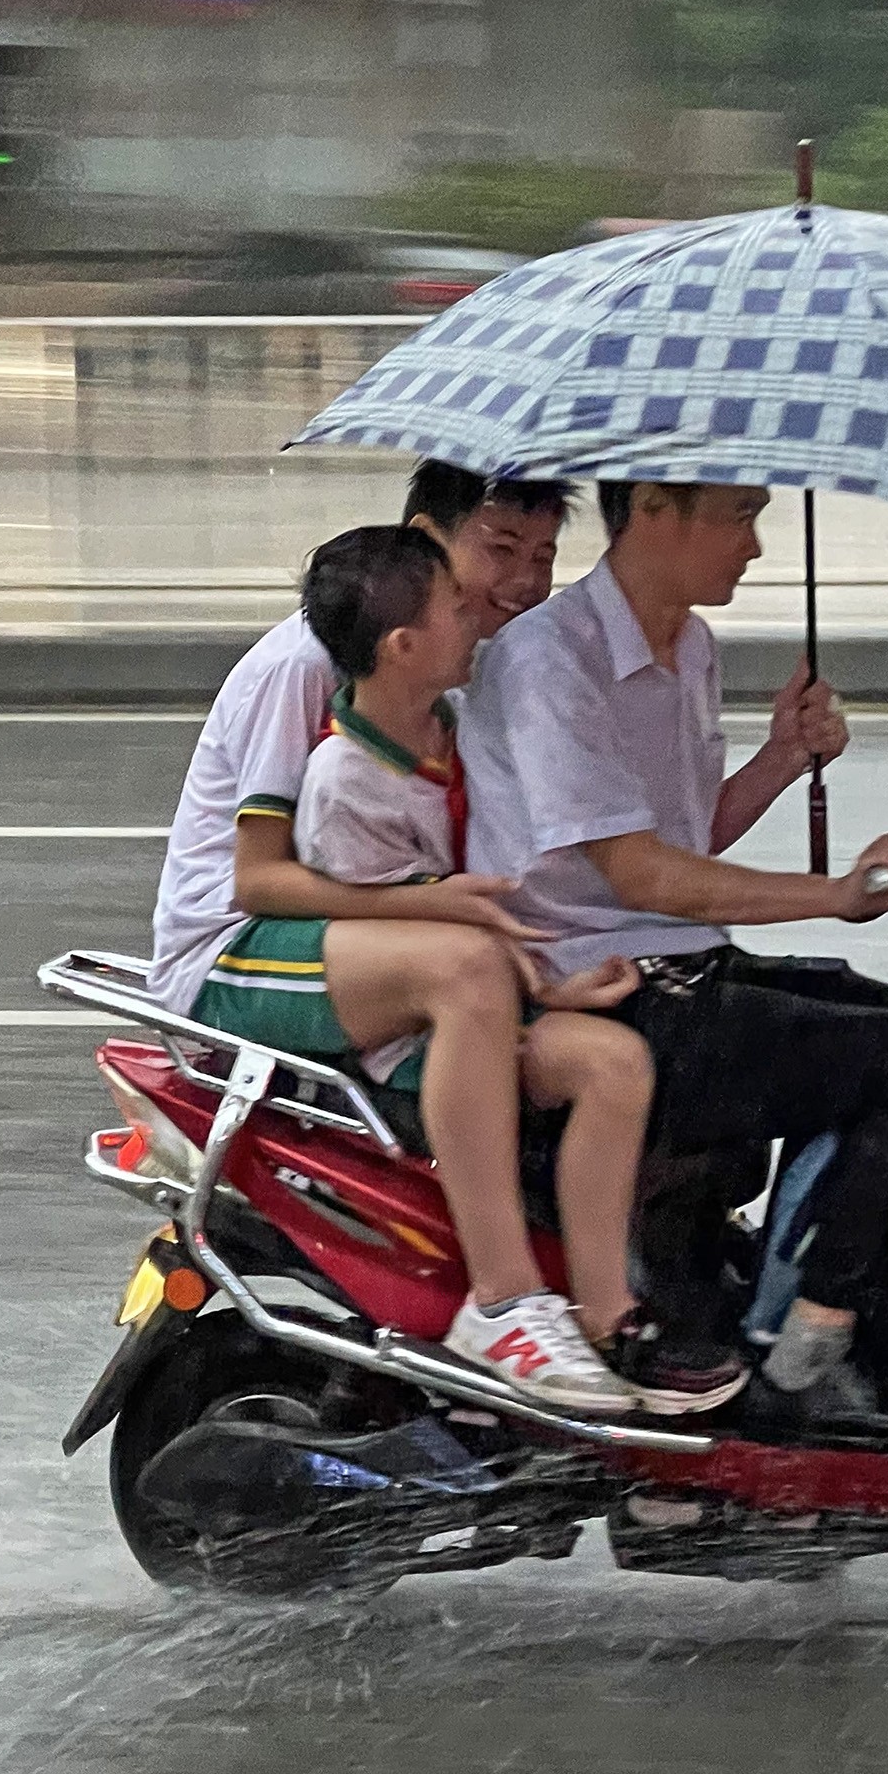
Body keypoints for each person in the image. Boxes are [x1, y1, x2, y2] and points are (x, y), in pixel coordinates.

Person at [459, 478, 888, 1435]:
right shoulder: (550, 659)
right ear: (655, 507)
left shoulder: (690, 646)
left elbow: (685, 841)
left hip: (688, 964)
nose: (755, 547)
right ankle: (809, 1343)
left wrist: (782, 755)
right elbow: (640, 876)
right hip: (609, 990)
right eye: (740, 518)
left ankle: (858, 1324)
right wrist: (837, 897)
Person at [147, 463, 644, 1407]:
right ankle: (504, 1301)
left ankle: (611, 1314)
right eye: (496, 554)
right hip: (237, 949)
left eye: (543, 558)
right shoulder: (311, 666)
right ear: (423, 545)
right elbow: (261, 877)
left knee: (608, 1056)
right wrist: (439, 908)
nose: (520, 585)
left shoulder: (453, 681)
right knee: (458, 967)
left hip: (356, 946)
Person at [284, 525, 742, 1416]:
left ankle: (608, 1312)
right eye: (458, 607)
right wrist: (537, 984)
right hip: (423, 1033)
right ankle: (540, 1307)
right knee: (617, 1058)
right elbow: (426, 945)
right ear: (403, 647)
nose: (485, 614)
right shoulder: (347, 781)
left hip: (495, 995)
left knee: (619, 1062)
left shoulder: (444, 736)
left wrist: (550, 986)